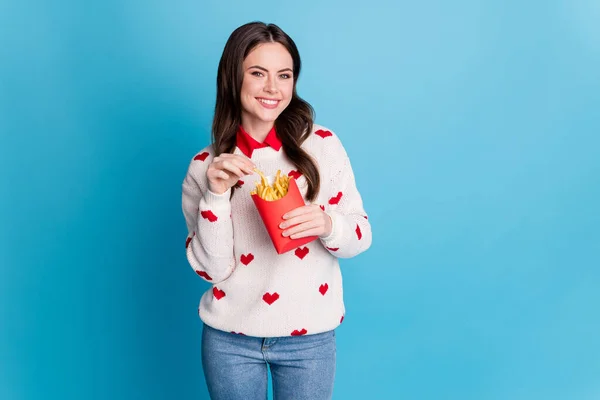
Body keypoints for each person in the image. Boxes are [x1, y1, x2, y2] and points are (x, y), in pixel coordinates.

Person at [181, 21, 372, 400]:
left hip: (309, 338)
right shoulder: (206, 166)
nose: (273, 88)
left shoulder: (323, 146)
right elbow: (212, 270)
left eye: (284, 75)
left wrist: (326, 223)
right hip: (229, 340)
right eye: (257, 73)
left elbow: (360, 237)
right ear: (232, 79)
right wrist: (217, 196)